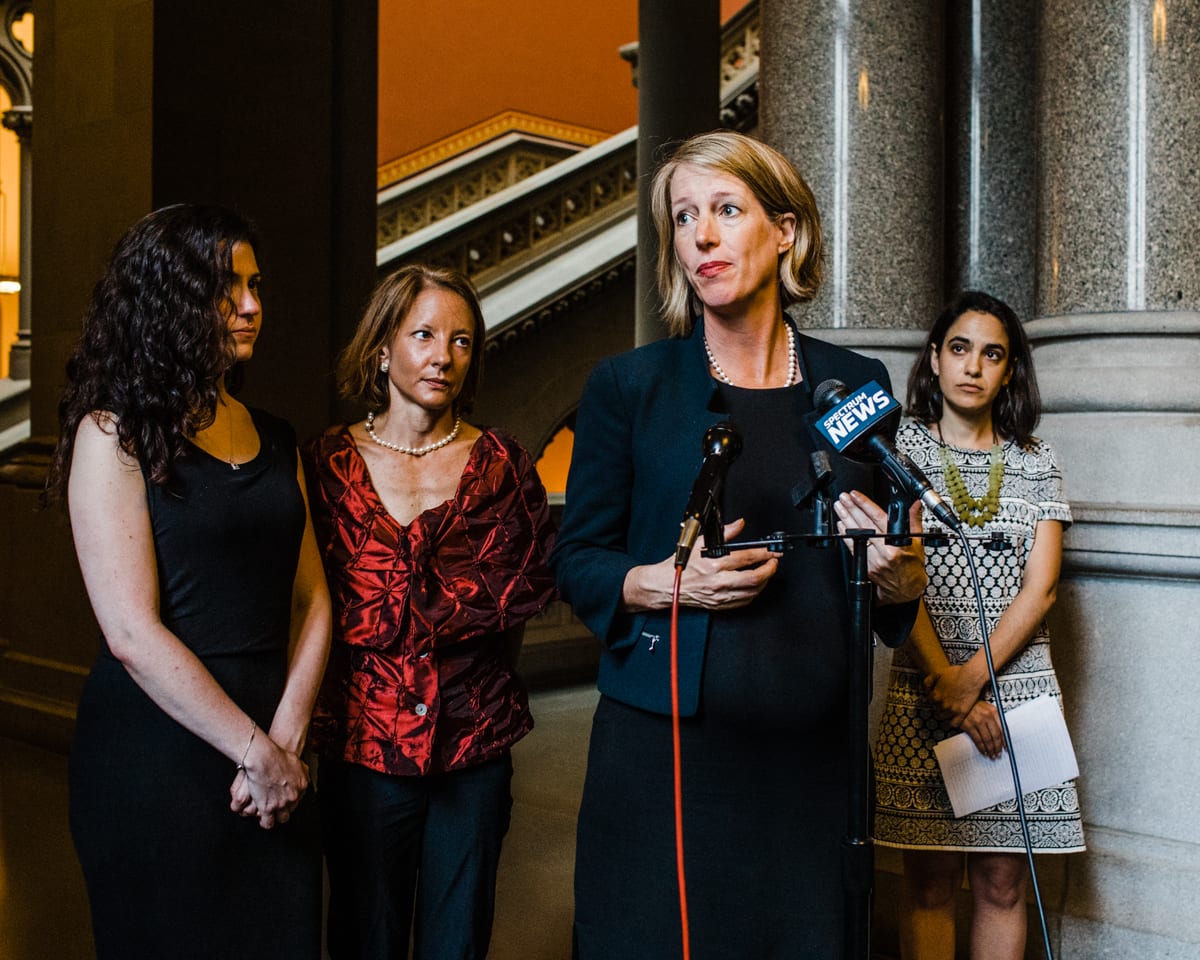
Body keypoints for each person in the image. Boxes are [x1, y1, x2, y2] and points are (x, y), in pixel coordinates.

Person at [550, 130, 928, 959]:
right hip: (667, 758)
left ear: (784, 230)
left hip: (813, 759)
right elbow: (575, 561)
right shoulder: (630, 388)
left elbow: (893, 586)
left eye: (726, 210)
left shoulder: (853, 386)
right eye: (684, 219)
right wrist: (665, 583)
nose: (702, 237)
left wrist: (896, 577)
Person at [46, 204, 331, 958]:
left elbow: (312, 598)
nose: (251, 306)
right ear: (168, 299)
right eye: (225, 288)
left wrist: (287, 744)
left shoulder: (274, 435)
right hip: (156, 752)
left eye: (255, 285)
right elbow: (132, 634)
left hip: (277, 745)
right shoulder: (113, 435)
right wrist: (254, 753)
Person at [304, 263, 557, 960]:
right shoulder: (326, 464)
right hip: (362, 745)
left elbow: (514, 616)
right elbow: (306, 609)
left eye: (462, 341)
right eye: (423, 334)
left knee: (458, 936)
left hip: (473, 748)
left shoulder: (502, 464)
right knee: (364, 934)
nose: (442, 356)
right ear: (382, 348)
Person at [873, 290, 1085, 959]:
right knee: (929, 883)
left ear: (1010, 371)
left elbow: (1041, 587)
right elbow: (895, 577)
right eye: (959, 348)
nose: (973, 366)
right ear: (934, 359)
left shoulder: (1035, 458)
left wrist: (972, 682)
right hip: (923, 690)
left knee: (1001, 883)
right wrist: (949, 684)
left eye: (992, 354)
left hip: (1016, 693)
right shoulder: (896, 450)